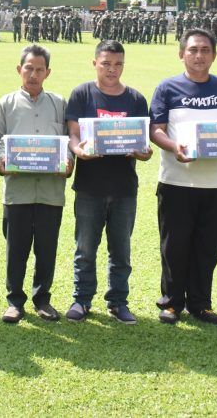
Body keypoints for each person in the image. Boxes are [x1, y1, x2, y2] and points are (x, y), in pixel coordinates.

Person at [149, 28, 217, 325]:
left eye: (205, 50)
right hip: (176, 181)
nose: (199, 55)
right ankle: (172, 302)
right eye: (192, 50)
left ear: (214, 55)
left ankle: (201, 303)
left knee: (208, 245)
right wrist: (173, 147)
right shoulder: (167, 88)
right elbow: (156, 129)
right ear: (181, 54)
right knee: (174, 245)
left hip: (216, 183)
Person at [64, 40, 153, 325]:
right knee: (85, 249)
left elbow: (143, 143)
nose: (112, 70)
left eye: (117, 64)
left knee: (121, 250)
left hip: (124, 188)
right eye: (106, 63)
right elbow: (74, 134)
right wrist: (78, 151)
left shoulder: (136, 99)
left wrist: (145, 152)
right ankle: (82, 299)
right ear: (95, 63)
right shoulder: (82, 93)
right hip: (90, 186)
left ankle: (118, 302)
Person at [0, 44, 72, 323]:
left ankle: (42, 299)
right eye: (29, 68)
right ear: (19, 69)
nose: (34, 74)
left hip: (51, 193)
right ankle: (15, 300)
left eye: (40, 69)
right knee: (17, 249)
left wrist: (69, 160)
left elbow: (68, 141)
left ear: (47, 72)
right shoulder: (6, 104)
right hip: (17, 193)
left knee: (46, 249)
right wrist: (2, 160)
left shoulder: (60, 104)